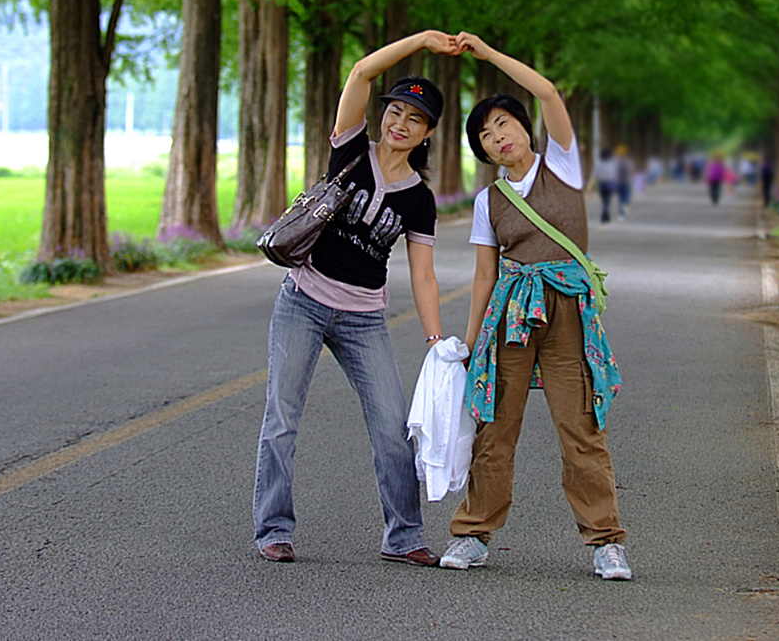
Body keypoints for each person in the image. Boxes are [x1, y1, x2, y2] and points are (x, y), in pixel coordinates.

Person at [252, 30, 460, 567]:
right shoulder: (349, 151)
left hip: (364, 318)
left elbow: (424, 276)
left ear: (427, 133)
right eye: (395, 110)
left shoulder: (420, 199)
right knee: (282, 416)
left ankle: (404, 534)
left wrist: (436, 341)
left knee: (393, 427)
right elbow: (361, 72)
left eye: (415, 119)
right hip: (303, 297)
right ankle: (273, 527)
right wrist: (424, 41)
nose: (400, 123)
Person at [438, 32, 631, 581]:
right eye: (484, 134)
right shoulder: (488, 201)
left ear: (524, 128)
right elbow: (483, 275)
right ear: (481, 151)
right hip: (511, 315)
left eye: (503, 124)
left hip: (567, 310)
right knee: (494, 426)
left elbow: (548, 92)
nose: (497, 136)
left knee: (581, 425)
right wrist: (474, 344)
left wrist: (489, 55)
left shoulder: (564, 168)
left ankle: (605, 541)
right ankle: (473, 533)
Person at [593, 146, 619, 224]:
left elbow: (595, 175)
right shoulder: (613, 162)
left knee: (604, 200)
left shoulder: (599, 163)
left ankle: (605, 216)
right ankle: (605, 216)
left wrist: (590, 186)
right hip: (610, 184)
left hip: (602, 184)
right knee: (607, 201)